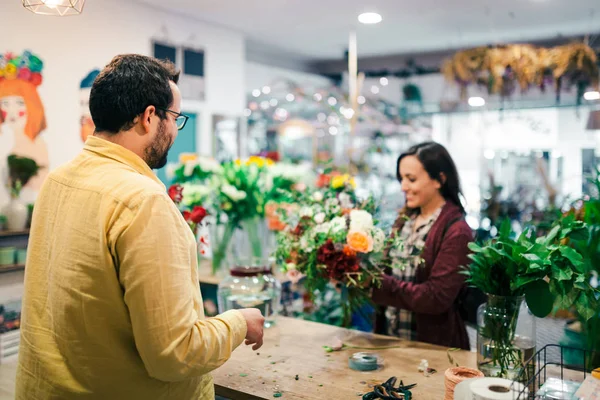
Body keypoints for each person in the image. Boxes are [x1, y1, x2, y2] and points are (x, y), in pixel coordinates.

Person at [16, 54, 265, 400]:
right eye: (175, 118)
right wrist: (239, 322)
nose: (176, 131)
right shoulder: (142, 200)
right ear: (150, 117)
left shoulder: (58, 180)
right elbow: (174, 353)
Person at [371, 141, 472, 350]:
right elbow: (388, 272)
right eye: (401, 179)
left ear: (439, 180)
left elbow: (435, 298)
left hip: (431, 349)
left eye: (411, 179)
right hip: (393, 341)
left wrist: (378, 285)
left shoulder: (457, 231)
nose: (403, 187)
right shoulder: (405, 219)